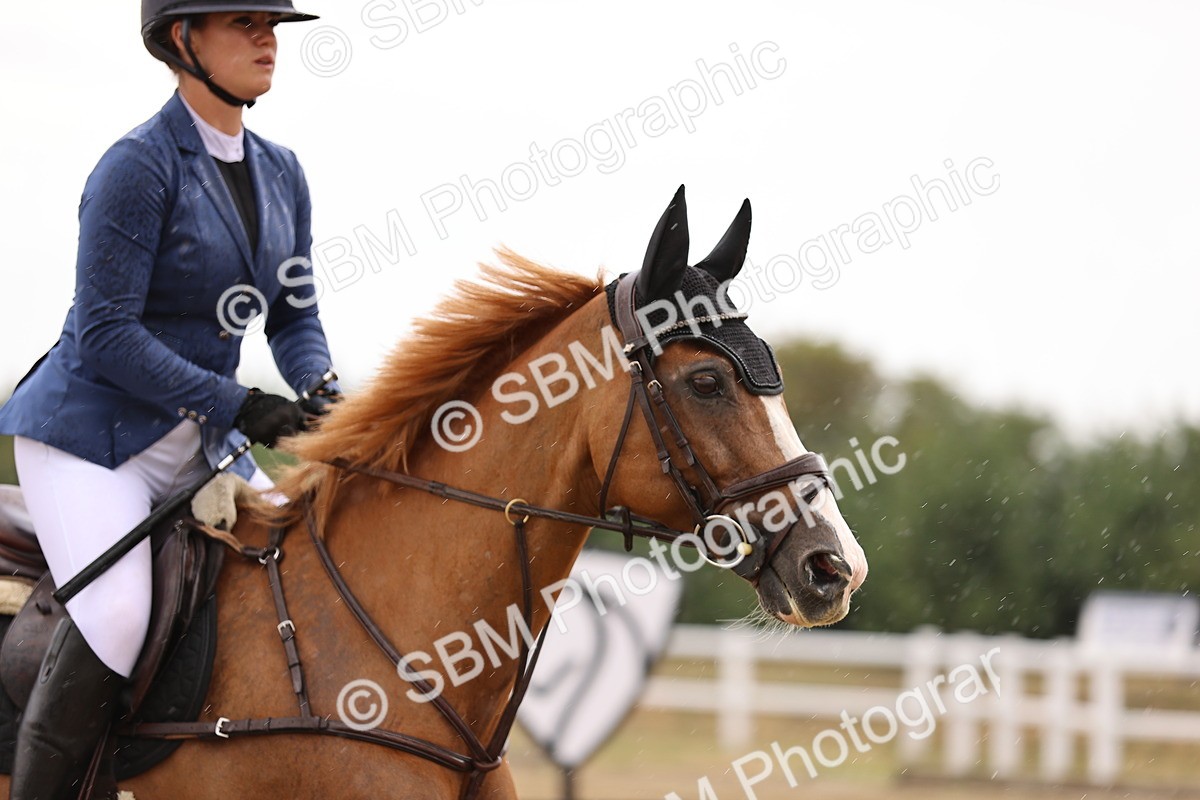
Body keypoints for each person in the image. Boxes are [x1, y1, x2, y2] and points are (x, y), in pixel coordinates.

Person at [0, 2, 340, 796]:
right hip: (91, 441)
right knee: (117, 617)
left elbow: (295, 314)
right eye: (245, 21)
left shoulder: (282, 170)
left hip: (197, 446)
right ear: (182, 39)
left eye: (273, 24)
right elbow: (108, 334)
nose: (268, 38)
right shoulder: (137, 166)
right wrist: (236, 403)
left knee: (312, 560)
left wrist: (322, 392)